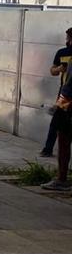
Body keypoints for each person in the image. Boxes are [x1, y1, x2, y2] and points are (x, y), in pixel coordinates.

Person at [43, 28, 72, 157]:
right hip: (65, 91)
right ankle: (48, 149)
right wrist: (60, 68)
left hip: (66, 93)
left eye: (67, 38)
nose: (66, 40)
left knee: (57, 121)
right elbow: (53, 71)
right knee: (57, 120)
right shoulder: (62, 52)